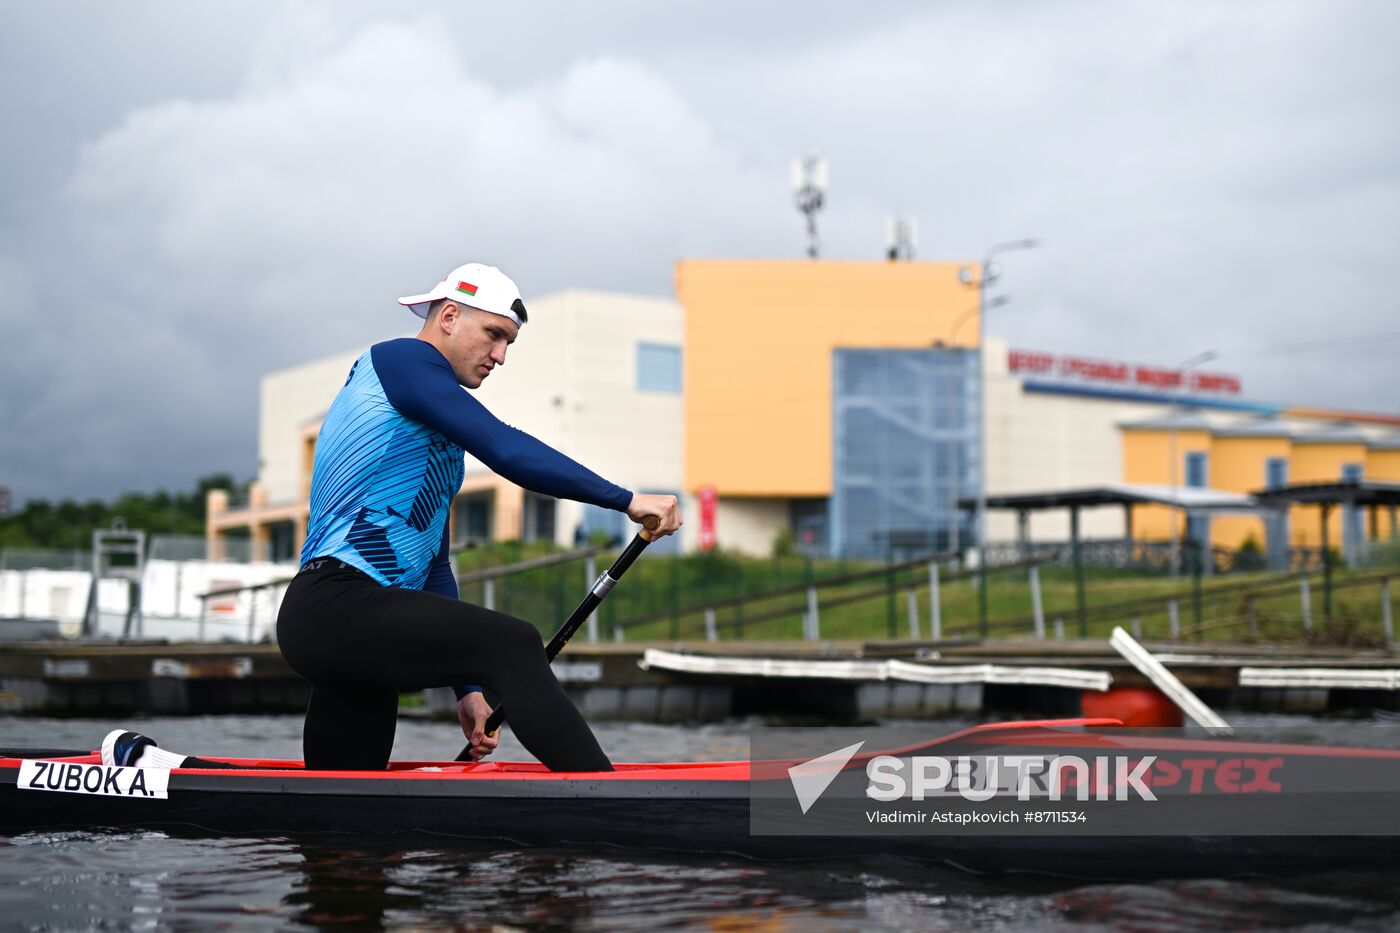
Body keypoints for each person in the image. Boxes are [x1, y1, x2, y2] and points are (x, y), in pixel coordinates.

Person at [102, 262, 681, 773]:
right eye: (494, 334)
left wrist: (467, 689)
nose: (501, 355)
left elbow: (434, 565)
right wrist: (626, 499)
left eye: (509, 343)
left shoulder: (435, 444)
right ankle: (609, 799)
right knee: (514, 643)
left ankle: (164, 771)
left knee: (340, 809)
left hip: (355, 630)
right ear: (448, 316)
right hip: (336, 604)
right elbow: (505, 448)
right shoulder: (401, 360)